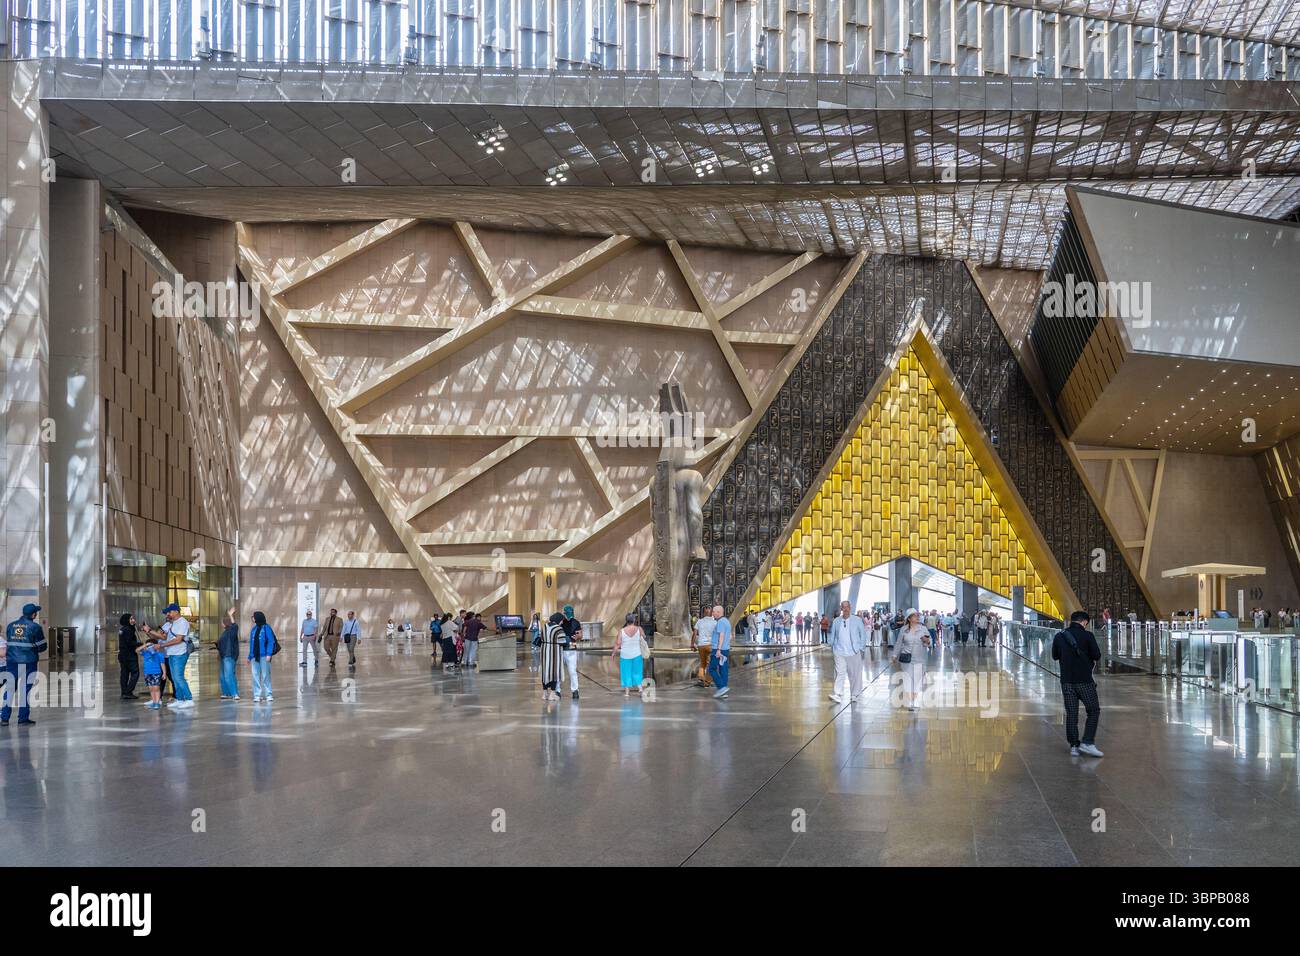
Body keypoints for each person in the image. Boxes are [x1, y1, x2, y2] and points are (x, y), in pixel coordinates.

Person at [1052, 611, 1103, 758]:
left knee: (1072, 713)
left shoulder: (1059, 636)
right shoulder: (1088, 636)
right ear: (1085, 622)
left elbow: (1055, 656)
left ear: (1071, 621)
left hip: (1066, 681)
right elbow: (1097, 655)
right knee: (1093, 710)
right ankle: (1087, 742)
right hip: (1084, 681)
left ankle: (1074, 746)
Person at [2, 603, 46, 725]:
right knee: (25, 689)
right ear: (33, 614)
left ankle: (4, 718)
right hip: (29, 662)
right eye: (36, 612)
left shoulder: (11, 626)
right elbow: (42, 646)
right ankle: (22, 718)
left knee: (10, 688)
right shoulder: (35, 627)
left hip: (12, 662)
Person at [828, 600, 868, 703]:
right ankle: (837, 694)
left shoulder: (857, 620)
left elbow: (863, 634)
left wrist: (861, 648)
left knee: (854, 674)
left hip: (853, 651)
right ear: (841, 609)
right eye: (843, 607)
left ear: (850, 608)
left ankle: (854, 694)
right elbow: (833, 634)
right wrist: (832, 645)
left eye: (847, 607)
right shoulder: (837, 620)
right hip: (839, 651)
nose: (845, 609)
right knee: (839, 672)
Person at [156, 603, 194, 709]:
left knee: (178, 677)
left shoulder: (182, 622)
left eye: (169, 612)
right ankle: (180, 699)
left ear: (176, 611)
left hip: (179, 653)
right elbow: (165, 636)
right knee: (174, 678)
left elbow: (178, 639)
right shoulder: (173, 623)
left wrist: (162, 645)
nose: (167, 614)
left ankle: (189, 699)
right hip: (172, 653)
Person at [891, 609, 929, 711]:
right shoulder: (903, 629)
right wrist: (894, 655)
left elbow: (929, 642)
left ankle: (915, 698)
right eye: (914, 616)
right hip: (906, 659)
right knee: (908, 680)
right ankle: (912, 702)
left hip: (919, 659)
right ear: (909, 618)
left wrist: (926, 640)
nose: (917, 617)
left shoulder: (923, 628)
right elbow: (899, 643)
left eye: (917, 615)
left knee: (917, 681)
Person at [613, 613, 647, 698]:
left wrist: (613, 652)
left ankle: (627, 693)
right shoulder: (639, 629)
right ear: (634, 620)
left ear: (626, 621)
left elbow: (618, 643)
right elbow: (644, 637)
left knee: (626, 673)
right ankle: (640, 689)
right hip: (637, 654)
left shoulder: (622, 631)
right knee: (637, 672)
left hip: (625, 656)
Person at [248, 611, 277, 702]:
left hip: (264, 656)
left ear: (258, 617)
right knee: (255, 676)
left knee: (265, 675)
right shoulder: (253, 629)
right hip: (254, 657)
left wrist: (269, 654)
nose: (252, 618)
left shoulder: (266, 628)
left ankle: (268, 694)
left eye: (254, 616)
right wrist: (249, 657)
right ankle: (257, 695)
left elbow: (270, 641)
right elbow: (252, 644)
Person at [540, 611, 566, 701]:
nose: (562, 622)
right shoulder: (559, 629)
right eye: (562, 620)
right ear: (558, 620)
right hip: (554, 652)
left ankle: (544, 694)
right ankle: (552, 694)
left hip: (544, 650)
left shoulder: (544, 626)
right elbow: (563, 642)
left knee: (545, 672)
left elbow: (541, 638)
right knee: (554, 672)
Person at [708, 605, 733, 699]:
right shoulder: (727, 621)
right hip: (725, 649)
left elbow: (721, 636)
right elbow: (730, 636)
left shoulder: (720, 622)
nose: (712, 613)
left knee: (711, 669)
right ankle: (724, 691)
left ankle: (721, 687)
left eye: (714, 612)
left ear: (718, 612)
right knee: (723, 669)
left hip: (718, 649)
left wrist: (718, 649)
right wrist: (725, 645)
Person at [559, 605, 583, 699]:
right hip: (561, 648)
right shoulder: (560, 622)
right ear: (564, 613)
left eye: (570, 614)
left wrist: (578, 637)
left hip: (572, 649)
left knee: (572, 671)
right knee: (559, 671)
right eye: (567, 614)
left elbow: (580, 634)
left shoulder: (576, 622)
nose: (569, 616)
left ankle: (575, 690)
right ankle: (557, 690)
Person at [138, 636, 167, 710]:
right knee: (151, 688)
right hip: (147, 673)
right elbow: (137, 650)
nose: (150, 647)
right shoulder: (145, 653)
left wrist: (164, 673)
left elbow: (162, 664)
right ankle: (154, 702)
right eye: (149, 646)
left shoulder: (159, 655)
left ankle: (157, 703)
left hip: (156, 673)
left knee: (156, 688)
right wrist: (145, 645)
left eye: (152, 646)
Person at [217, 607, 240, 700]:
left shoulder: (231, 631)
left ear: (225, 623)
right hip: (223, 657)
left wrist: (231, 615)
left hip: (229, 656)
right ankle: (226, 693)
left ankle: (234, 694)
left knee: (229, 675)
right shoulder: (225, 632)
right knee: (223, 676)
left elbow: (235, 626)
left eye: (222, 622)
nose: (221, 624)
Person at [117, 613, 141, 699]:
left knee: (124, 674)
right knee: (135, 673)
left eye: (133, 618)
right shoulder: (128, 629)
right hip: (129, 655)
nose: (133, 620)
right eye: (131, 619)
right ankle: (128, 691)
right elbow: (130, 643)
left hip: (123, 655)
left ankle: (124, 692)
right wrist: (140, 644)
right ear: (126, 620)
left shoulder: (122, 629)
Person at [692, 606, 715, 688]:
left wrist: (692, 644)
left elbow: (694, 633)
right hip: (710, 645)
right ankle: (708, 681)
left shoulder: (699, 621)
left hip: (701, 645)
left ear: (704, 613)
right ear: (711, 613)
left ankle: (701, 680)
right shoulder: (715, 622)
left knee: (702, 663)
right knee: (711, 664)